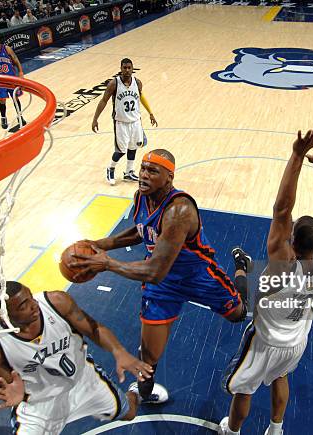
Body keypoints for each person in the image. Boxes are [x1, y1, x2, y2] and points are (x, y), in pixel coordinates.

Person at [70, 149, 248, 404]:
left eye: (152, 171)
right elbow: (142, 230)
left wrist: (107, 263)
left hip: (197, 276)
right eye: (142, 168)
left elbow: (154, 271)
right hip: (164, 285)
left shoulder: (179, 211)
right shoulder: (141, 197)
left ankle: (241, 265)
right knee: (148, 355)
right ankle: (145, 393)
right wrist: (101, 243)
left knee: (238, 315)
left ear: (169, 178)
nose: (143, 175)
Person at [218, 126, 313, 435]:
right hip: (297, 340)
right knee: (280, 379)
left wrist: (297, 155)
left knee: (244, 390)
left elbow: (281, 209)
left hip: (266, 341)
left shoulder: (283, 265)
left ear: (293, 241)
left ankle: (231, 431)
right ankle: (276, 429)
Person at [0, 281, 165, 434]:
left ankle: (136, 393)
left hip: (84, 381)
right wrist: (20, 396)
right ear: (3, 317)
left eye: (31, 297)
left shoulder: (56, 303)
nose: (34, 305)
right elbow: (7, 387)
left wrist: (118, 351)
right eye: (24, 306)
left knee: (129, 413)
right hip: (40, 404)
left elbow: (94, 328)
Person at [91, 58, 157, 186]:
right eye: (124, 68)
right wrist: (95, 119)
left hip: (135, 121)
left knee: (134, 146)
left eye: (129, 68)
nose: (127, 70)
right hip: (121, 123)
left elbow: (141, 97)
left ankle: (128, 172)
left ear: (132, 69)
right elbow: (103, 101)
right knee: (121, 150)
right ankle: (110, 168)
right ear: (120, 69)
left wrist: (151, 113)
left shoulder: (137, 83)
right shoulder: (114, 84)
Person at [0, 33, 26, 131]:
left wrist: (20, 72)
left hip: (11, 78)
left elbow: (16, 60)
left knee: (15, 98)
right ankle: (3, 118)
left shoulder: (6, 48)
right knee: (2, 100)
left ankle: (20, 116)